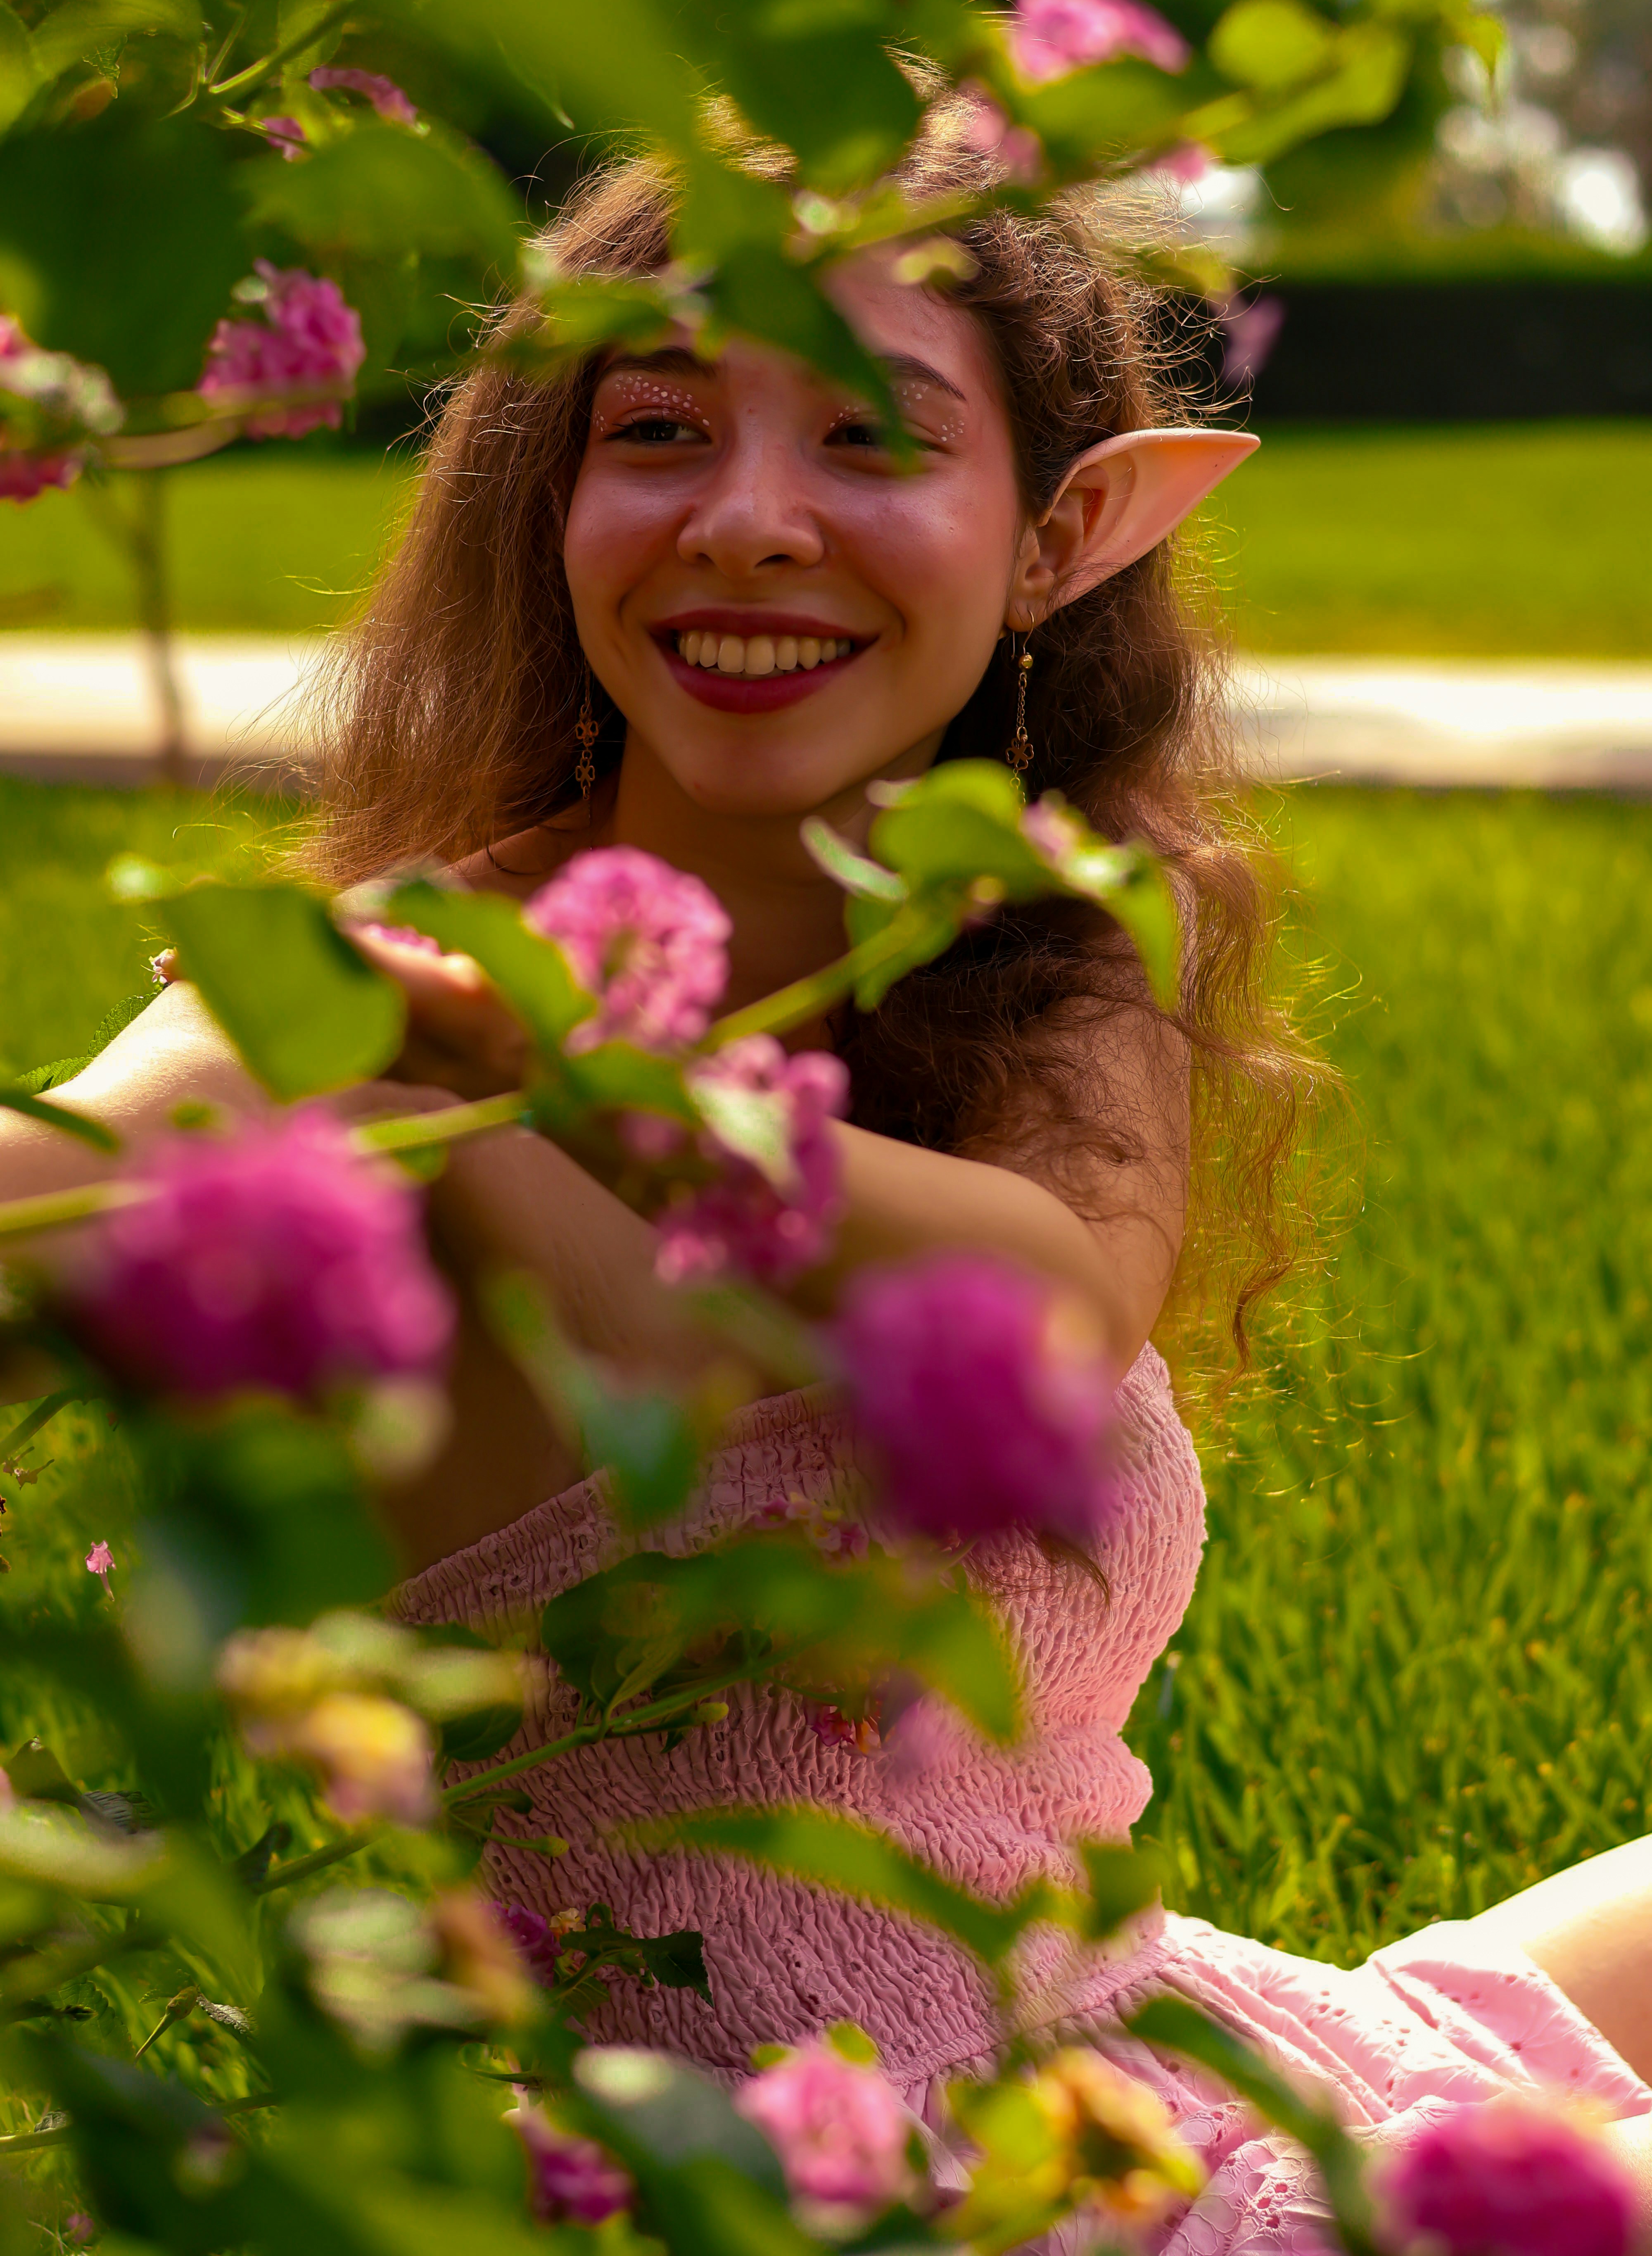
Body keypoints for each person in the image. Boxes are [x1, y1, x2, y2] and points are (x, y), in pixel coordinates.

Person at [8, 116, 1652, 2249]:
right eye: (663, 428)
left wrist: (591, 1074)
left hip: (1121, 2060)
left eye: (870, 441)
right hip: (794, 2199)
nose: (751, 524)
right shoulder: (365, 1002)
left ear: (1058, 537)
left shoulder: (1058, 965)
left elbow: (1051, 1307)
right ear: (556, 500)